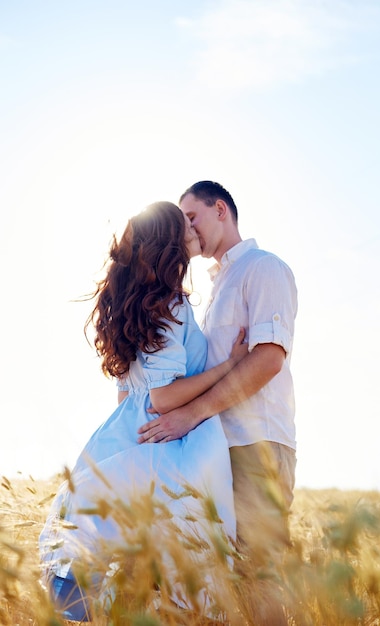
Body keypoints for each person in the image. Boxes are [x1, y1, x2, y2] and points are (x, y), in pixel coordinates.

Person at [39, 201, 247, 622]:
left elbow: (128, 397)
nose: (193, 226)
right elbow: (163, 398)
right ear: (173, 242)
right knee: (184, 564)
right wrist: (231, 365)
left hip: (125, 435)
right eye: (184, 222)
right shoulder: (169, 303)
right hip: (172, 442)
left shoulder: (139, 304)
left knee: (118, 557)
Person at [138, 182, 298, 624]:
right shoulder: (216, 287)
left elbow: (268, 359)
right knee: (220, 584)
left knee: (258, 576)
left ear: (221, 209)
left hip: (257, 445)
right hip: (217, 452)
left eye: (192, 217)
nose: (185, 228)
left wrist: (190, 413)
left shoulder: (263, 269)